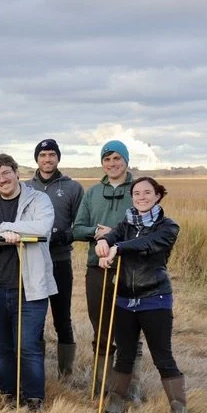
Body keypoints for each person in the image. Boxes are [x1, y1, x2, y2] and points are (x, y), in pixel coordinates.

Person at [0, 154, 57, 412]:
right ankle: (8, 393)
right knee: (4, 348)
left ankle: (33, 399)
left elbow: (42, 228)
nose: (2, 179)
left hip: (30, 289)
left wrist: (4, 228)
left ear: (17, 173)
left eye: (6, 173)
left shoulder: (38, 200)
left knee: (28, 346)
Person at [96, 177, 185, 413]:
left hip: (155, 298)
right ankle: (115, 406)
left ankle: (178, 409)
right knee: (124, 355)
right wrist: (103, 244)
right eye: (137, 193)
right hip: (124, 300)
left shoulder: (168, 226)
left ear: (158, 195)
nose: (141, 197)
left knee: (162, 356)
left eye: (147, 192)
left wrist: (119, 248)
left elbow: (147, 243)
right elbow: (112, 237)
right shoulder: (125, 223)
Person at [73, 140, 141, 399]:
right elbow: (77, 229)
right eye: (107, 159)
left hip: (130, 268)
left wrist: (118, 237)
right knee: (101, 327)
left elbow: (147, 226)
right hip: (97, 268)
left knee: (130, 328)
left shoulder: (138, 190)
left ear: (126, 160)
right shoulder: (91, 193)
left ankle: (128, 387)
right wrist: (96, 232)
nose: (112, 164)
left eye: (117, 158)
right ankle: (102, 384)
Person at [27, 139, 84, 379]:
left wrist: (64, 235)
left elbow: (81, 223)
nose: (47, 159)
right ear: (37, 159)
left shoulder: (72, 188)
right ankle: (35, 368)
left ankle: (66, 371)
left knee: (62, 316)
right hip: (32, 261)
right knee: (35, 315)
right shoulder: (26, 187)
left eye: (52, 155)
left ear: (58, 158)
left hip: (60, 260)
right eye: (43, 155)